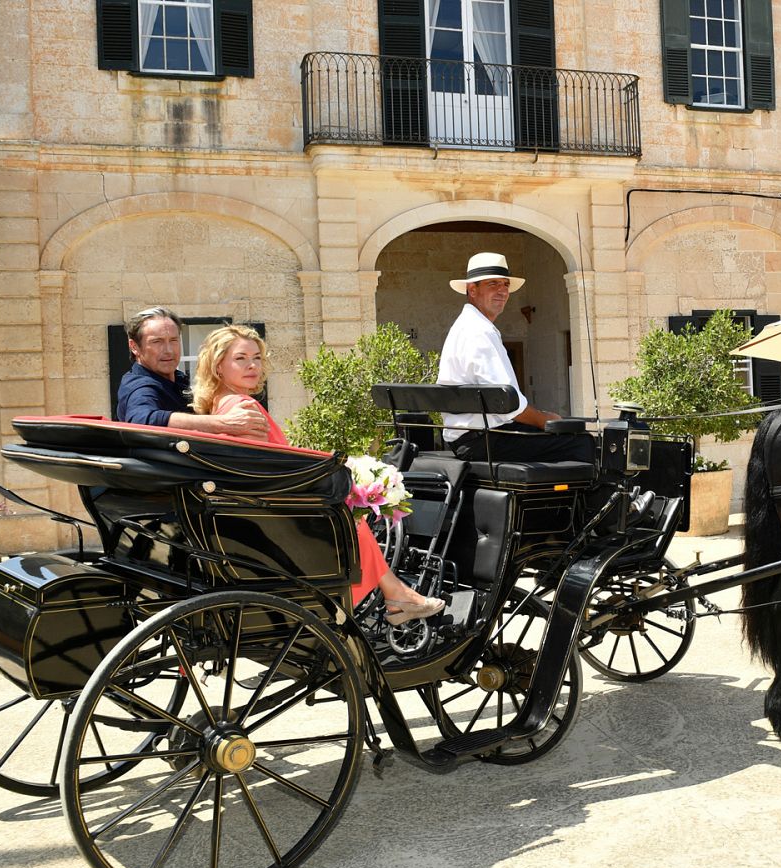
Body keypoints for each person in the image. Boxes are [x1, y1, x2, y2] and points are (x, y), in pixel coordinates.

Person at [192, 325, 444, 625]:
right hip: (279, 508)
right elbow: (274, 463)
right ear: (218, 366)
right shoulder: (244, 407)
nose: (252, 366)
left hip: (258, 505)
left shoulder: (221, 406)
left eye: (257, 358)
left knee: (349, 514)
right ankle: (396, 594)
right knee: (348, 518)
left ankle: (397, 594)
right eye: (241, 358)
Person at [437, 252, 595, 464]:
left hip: (473, 439)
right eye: (493, 283)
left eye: (505, 284)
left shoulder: (467, 326)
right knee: (582, 442)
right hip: (486, 441)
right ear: (472, 290)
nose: (502, 291)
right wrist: (544, 419)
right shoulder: (479, 331)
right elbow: (506, 402)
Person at [115, 306, 267, 440]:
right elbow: (141, 421)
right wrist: (224, 423)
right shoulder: (140, 386)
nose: (168, 350)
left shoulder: (180, 380)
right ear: (134, 347)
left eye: (174, 340)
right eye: (157, 342)